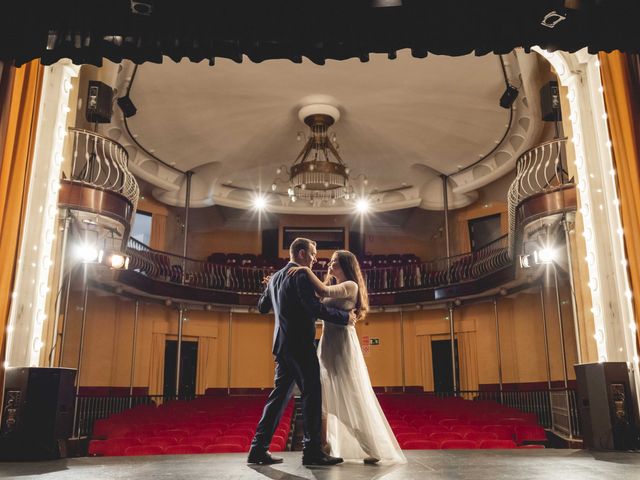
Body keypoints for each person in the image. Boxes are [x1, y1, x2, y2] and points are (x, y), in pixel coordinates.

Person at [247, 238, 356, 466]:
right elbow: (313, 308)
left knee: (278, 398)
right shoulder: (301, 274)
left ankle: (257, 449)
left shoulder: (276, 277)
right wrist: (345, 317)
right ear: (302, 253)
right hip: (300, 346)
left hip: (282, 347)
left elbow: (261, 307)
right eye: (314, 254)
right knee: (311, 394)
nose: (316, 259)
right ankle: (312, 451)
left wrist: (270, 286)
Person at [290, 250, 406, 464]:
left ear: (346, 266)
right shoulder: (332, 287)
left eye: (335, 262)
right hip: (326, 344)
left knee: (351, 395)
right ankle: (323, 447)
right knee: (322, 396)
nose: (330, 264)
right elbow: (314, 300)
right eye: (331, 261)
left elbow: (322, 289)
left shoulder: (350, 285)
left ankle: (371, 447)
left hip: (343, 344)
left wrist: (304, 269)